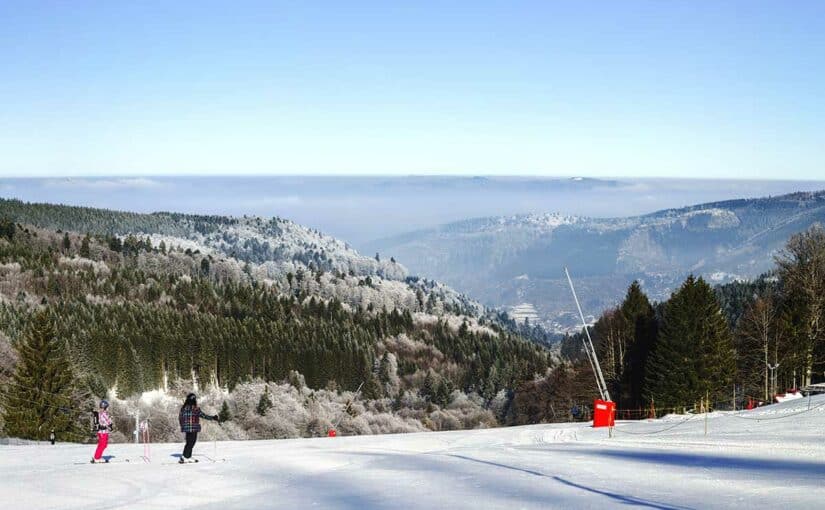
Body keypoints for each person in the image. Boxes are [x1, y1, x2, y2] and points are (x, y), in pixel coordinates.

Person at [178, 393, 219, 463]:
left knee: (189, 442)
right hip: (193, 428)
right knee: (191, 442)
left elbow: (180, 418)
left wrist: (183, 426)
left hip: (187, 428)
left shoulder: (183, 408)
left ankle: (187, 456)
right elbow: (204, 416)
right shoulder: (195, 409)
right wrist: (212, 418)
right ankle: (185, 456)